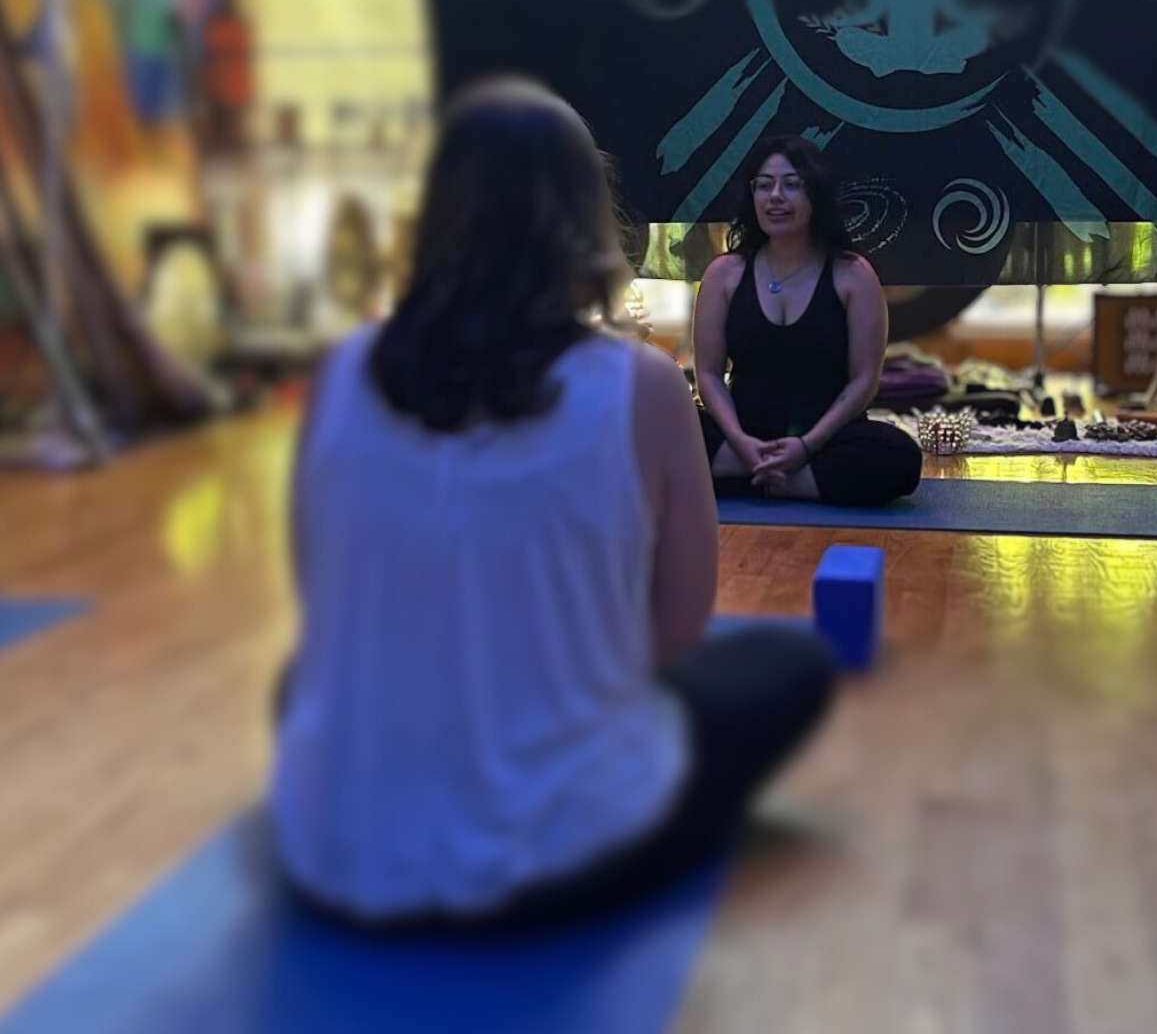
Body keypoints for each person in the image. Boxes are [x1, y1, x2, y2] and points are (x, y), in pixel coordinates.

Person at [271, 78, 837, 926]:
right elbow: (678, 627)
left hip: (340, 844)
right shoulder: (639, 386)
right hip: (553, 848)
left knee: (299, 682)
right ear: (586, 219)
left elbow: (324, 584)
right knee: (789, 666)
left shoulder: (345, 371)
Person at [693, 135, 923, 507]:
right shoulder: (725, 273)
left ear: (815, 194)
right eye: (764, 185)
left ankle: (761, 481)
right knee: (658, 425)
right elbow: (707, 374)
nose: (775, 197)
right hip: (740, 437)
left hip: (826, 441)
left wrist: (805, 445)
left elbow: (864, 379)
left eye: (791, 185)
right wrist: (740, 441)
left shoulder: (853, 274)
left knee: (899, 456)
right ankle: (780, 477)